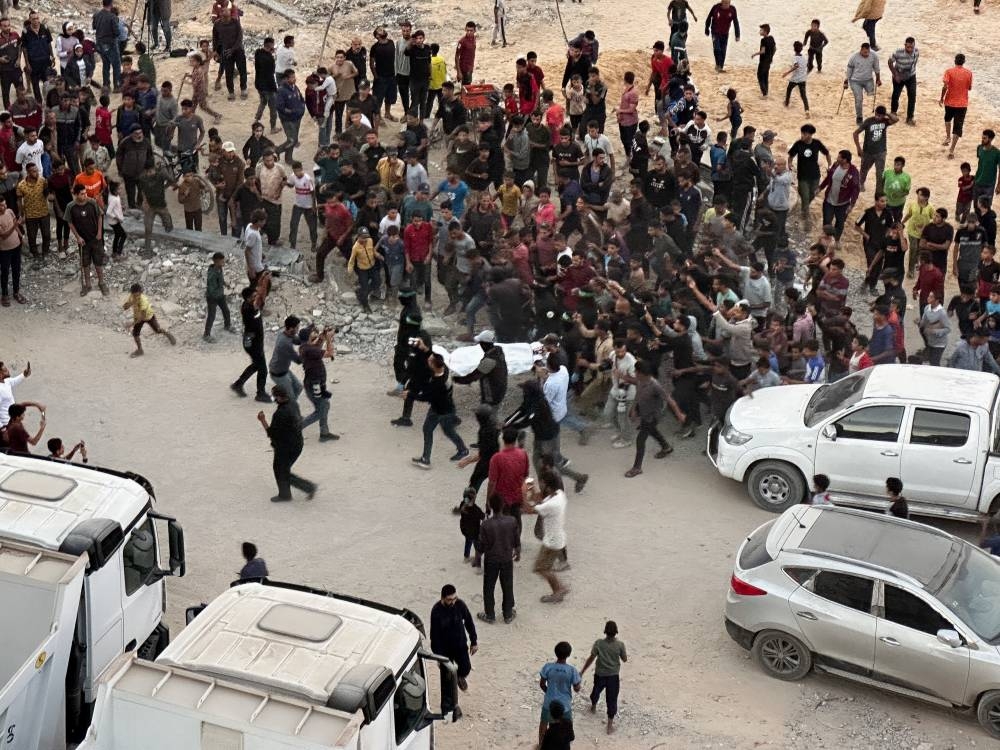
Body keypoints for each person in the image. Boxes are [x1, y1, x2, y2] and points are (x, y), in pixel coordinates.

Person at [257, 384, 316, 502]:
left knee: (280, 470)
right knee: (283, 470)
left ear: (278, 397)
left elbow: (272, 433)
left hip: (284, 448)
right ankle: (304, 488)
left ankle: (289, 493)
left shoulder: (279, 414)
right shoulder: (293, 404)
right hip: (297, 443)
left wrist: (262, 420)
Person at [410, 352, 468, 468]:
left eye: (429, 360)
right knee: (429, 429)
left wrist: (410, 395)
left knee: (446, 431)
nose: (427, 360)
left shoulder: (437, 384)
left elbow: (425, 397)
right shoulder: (444, 369)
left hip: (443, 411)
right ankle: (426, 458)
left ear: (433, 365)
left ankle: (462, 450)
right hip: (443, 406)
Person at [523, 468, 570, 603]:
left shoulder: (550, 505)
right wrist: (531, 487)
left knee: (541, 568)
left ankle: (558, 591)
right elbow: (540, 499)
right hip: (558, 538)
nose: (540, 486)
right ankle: (561, 588)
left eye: (542, 484)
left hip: (552, 542)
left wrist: (524, 494)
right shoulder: (559, 494)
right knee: (544, 567)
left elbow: (528, 509)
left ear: (548, 488)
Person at [625, 360, 673, 478]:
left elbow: (668, 399)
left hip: (652, 416)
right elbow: (638, 395)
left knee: (640, 440)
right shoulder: (641, 381)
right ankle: (666, 447)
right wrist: (634, 409)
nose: (635, 373)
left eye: (636, 371)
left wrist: (679, 414)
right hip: (645, 413)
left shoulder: (655, 385)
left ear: (642, 373)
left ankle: (637, 468)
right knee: (652, 431)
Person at [477, 492, 518, 624]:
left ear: (490, 505)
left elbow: (481, 546)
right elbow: (516, 539)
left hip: (491, 560)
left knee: (489, 587)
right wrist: (518, 551)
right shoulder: (512, 521)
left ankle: (490, 614)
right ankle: (507, 613)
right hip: (506, 559)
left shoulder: (486, 525)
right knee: (507, 586)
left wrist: (477, 559)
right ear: (503, 505)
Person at [581, 620, 628, 735]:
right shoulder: (620, 645)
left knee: (596, 691)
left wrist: (582, 671)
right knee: (611, 699)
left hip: (600, 674)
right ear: (616, 632)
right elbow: (624, 659)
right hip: (613, 676)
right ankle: (609, 726)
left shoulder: (598, 643)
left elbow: (591, 658)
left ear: (605, 631)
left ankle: (593, 707)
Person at [429, 584, 478, 692]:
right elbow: (434, 636)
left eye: (455, 598)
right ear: (442, 598)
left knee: (466, 669)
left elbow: (469, 622)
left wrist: (474, 641)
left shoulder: (460, 604)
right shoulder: (436, 611)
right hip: (445, 650)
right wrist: (439, 657)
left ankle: (459, 677)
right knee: (447, 680)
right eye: (449, 600)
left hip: (460, 645)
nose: (453, 602)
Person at [64, 184, 108, 296]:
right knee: (85, 263)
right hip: (83, 241)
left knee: (98, 262)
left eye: (85, 193)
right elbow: (69, 222)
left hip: (95, 238)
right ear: (76, 195)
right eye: (82, 194)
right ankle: (87, 285)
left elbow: (100, 216)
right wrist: (77, 237)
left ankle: (101, 283)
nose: (85, 195)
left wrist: (99, 233)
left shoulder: (92, 202)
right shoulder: (71, 206)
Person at [537, 641, 582, 747]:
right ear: (569, 655)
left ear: (556, 653)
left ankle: (541, 745)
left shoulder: (548, 667)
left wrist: (549, 692)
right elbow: (577, 689)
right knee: (566, 726)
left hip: (549, 702)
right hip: (565, 705)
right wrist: (578, 684)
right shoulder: (572, 670)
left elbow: (542, 684)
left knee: (544, 724)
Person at [298, 325, 338, 442]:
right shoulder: (310, 350)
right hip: (314, 384)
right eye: (312, 333)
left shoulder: (305, 347)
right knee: (321, 409)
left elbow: (317, 345)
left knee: (323, 405)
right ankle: (298, 428)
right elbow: (330, 353)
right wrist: (329, 339)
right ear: (308, 337)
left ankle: (324, 433)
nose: (314, 333)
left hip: (314, 383)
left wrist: (323, 336)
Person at [231, 287, 271, 402]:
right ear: (248, 298)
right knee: (262, 369)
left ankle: (238, 384)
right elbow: (252, 327)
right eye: (253, 297)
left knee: (256, 365)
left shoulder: (251, 305)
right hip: (253, 344)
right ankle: (260, 394)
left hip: (256, 342)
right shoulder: (248, 309)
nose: (256, 297)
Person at [123, 282, 177, 357]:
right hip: (137, 316)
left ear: (141, 293)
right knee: (135, 334)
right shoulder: (131, 297)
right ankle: (140, 350)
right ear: (132, 294)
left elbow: (142, 317)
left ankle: (167, 333)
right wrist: (128, 304)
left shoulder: (143, 300)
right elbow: (125, 306)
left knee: (157, 330)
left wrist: (131, 324)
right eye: (134, 295)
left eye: (137, 295)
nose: (136, 297)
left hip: (148, 316)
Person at [941, 54, 973, 160]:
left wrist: (941, 98)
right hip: (962, 103)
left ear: (955, 61)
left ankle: (948, 137)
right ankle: (951, 150)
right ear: (964, 61)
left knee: (947, 118)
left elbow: (945, 86)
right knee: (958, 127)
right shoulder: (969, 73)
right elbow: (969, 88)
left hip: (950, 101)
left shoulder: (949, 71)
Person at [844, 43, 881, 126]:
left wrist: (878, 79)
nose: (866, 54)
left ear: (869, 50)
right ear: (861, 50)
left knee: (871, 94)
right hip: (855, 81)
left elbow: (876, 67)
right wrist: (846, 81)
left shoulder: (874, 56)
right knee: (859, 99)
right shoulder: (854, 57)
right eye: (864, 52)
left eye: (867, 52)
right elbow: (849, 69)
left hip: (868, 80)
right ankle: (859, 117)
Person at [269, 315, 303, 402]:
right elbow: (299, 360)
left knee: (298, 387)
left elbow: (298, 341)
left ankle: (287, 405)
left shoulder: (284, 333)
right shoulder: (285, 344)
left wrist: (308, 337)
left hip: (284, 370)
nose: (298, 330)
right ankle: (287, 407)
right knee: (290, 397)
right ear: (291, 329)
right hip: (279, 374)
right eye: (297, 328)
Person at [888, 37, 918, 126]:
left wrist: (910, 73)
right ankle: (893, 113)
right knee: (896, 94)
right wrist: (895, 74)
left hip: (911, 76)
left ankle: (909, 118)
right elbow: (890, 62)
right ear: (905, 45)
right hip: (898, 75)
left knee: (912, 96)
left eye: (911, 47)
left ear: (914, 45)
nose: (910, 49)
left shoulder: (916, 52)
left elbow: (914, 64)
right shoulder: (898, 52)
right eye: (908, 47)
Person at [704, 0, 741, 72]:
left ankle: (720, 67)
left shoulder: (732, 9)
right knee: (717, 48)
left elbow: (736, 23)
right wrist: (706, 29)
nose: (727, 5)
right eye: (725, 3)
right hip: (715, 32)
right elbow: (709, 18)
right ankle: (718, 65)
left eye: (728, 3)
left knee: (723, 51)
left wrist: (737, 35)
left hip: (725, 33)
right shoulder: (716, 8)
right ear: (722, 2)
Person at [203, 251, 231, 341]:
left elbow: (220, 279)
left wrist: (225, 283)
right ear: (216, 261)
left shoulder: (219, 269)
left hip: (220, 295)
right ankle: (206, 335)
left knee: (226, 311)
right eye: (222, 261)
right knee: (212, 316)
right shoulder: (212, 274)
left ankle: (227, 326)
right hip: (212, 298)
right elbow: (211, 289)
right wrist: (216, 296)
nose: (224, 263)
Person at [0, 361, 30, 428]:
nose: (8, 371)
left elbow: (15, 381)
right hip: (6, 425)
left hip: (13, 423)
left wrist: (24, 374)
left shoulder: (6, 381)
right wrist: (2, 428)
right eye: (5, 370)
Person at [752, 24, 776, 97]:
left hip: (763, 62)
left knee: (760, 76)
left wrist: (754, 54)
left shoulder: (763, 40)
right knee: (766, 76)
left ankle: (764, 93)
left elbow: (763, 51)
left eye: (761, 30)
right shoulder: (771, 38)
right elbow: (775, 49)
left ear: (765, 32)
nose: (760, 31)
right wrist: (771, 57)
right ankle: (766, 92)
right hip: (768, 61)